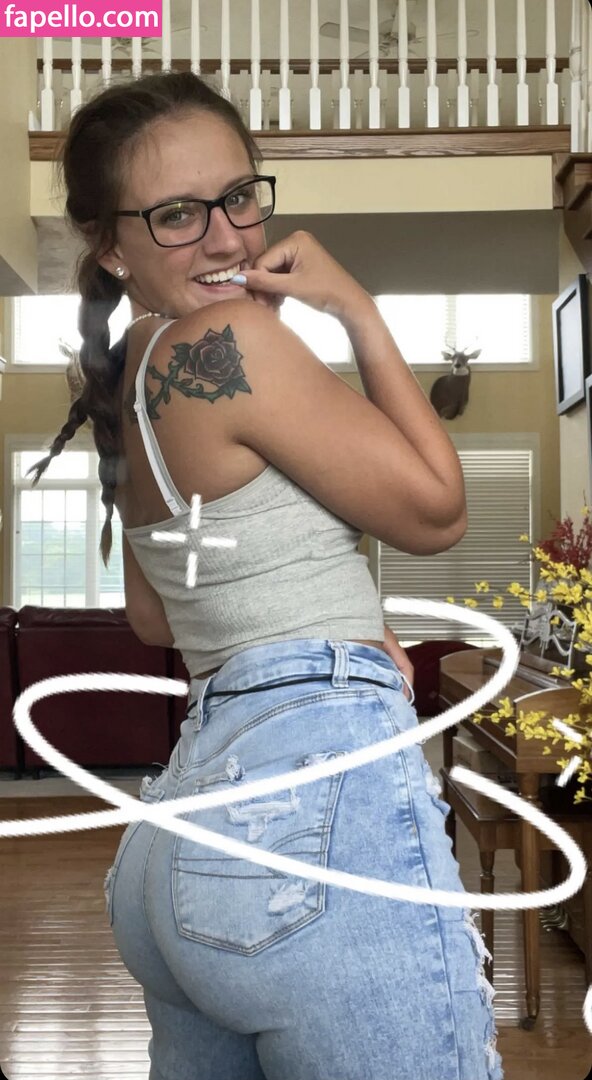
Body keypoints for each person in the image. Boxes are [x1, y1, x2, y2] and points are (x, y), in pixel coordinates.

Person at [28, 71, 503, 1080]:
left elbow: (157, 616)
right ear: (109, 245)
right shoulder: (231, 340)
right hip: (310, 809)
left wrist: (318, 620)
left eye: (239, 197)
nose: (226, 238)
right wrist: (354, 308)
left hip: (181, 831)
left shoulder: (131, 375)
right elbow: (436, 511)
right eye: (176, 215)